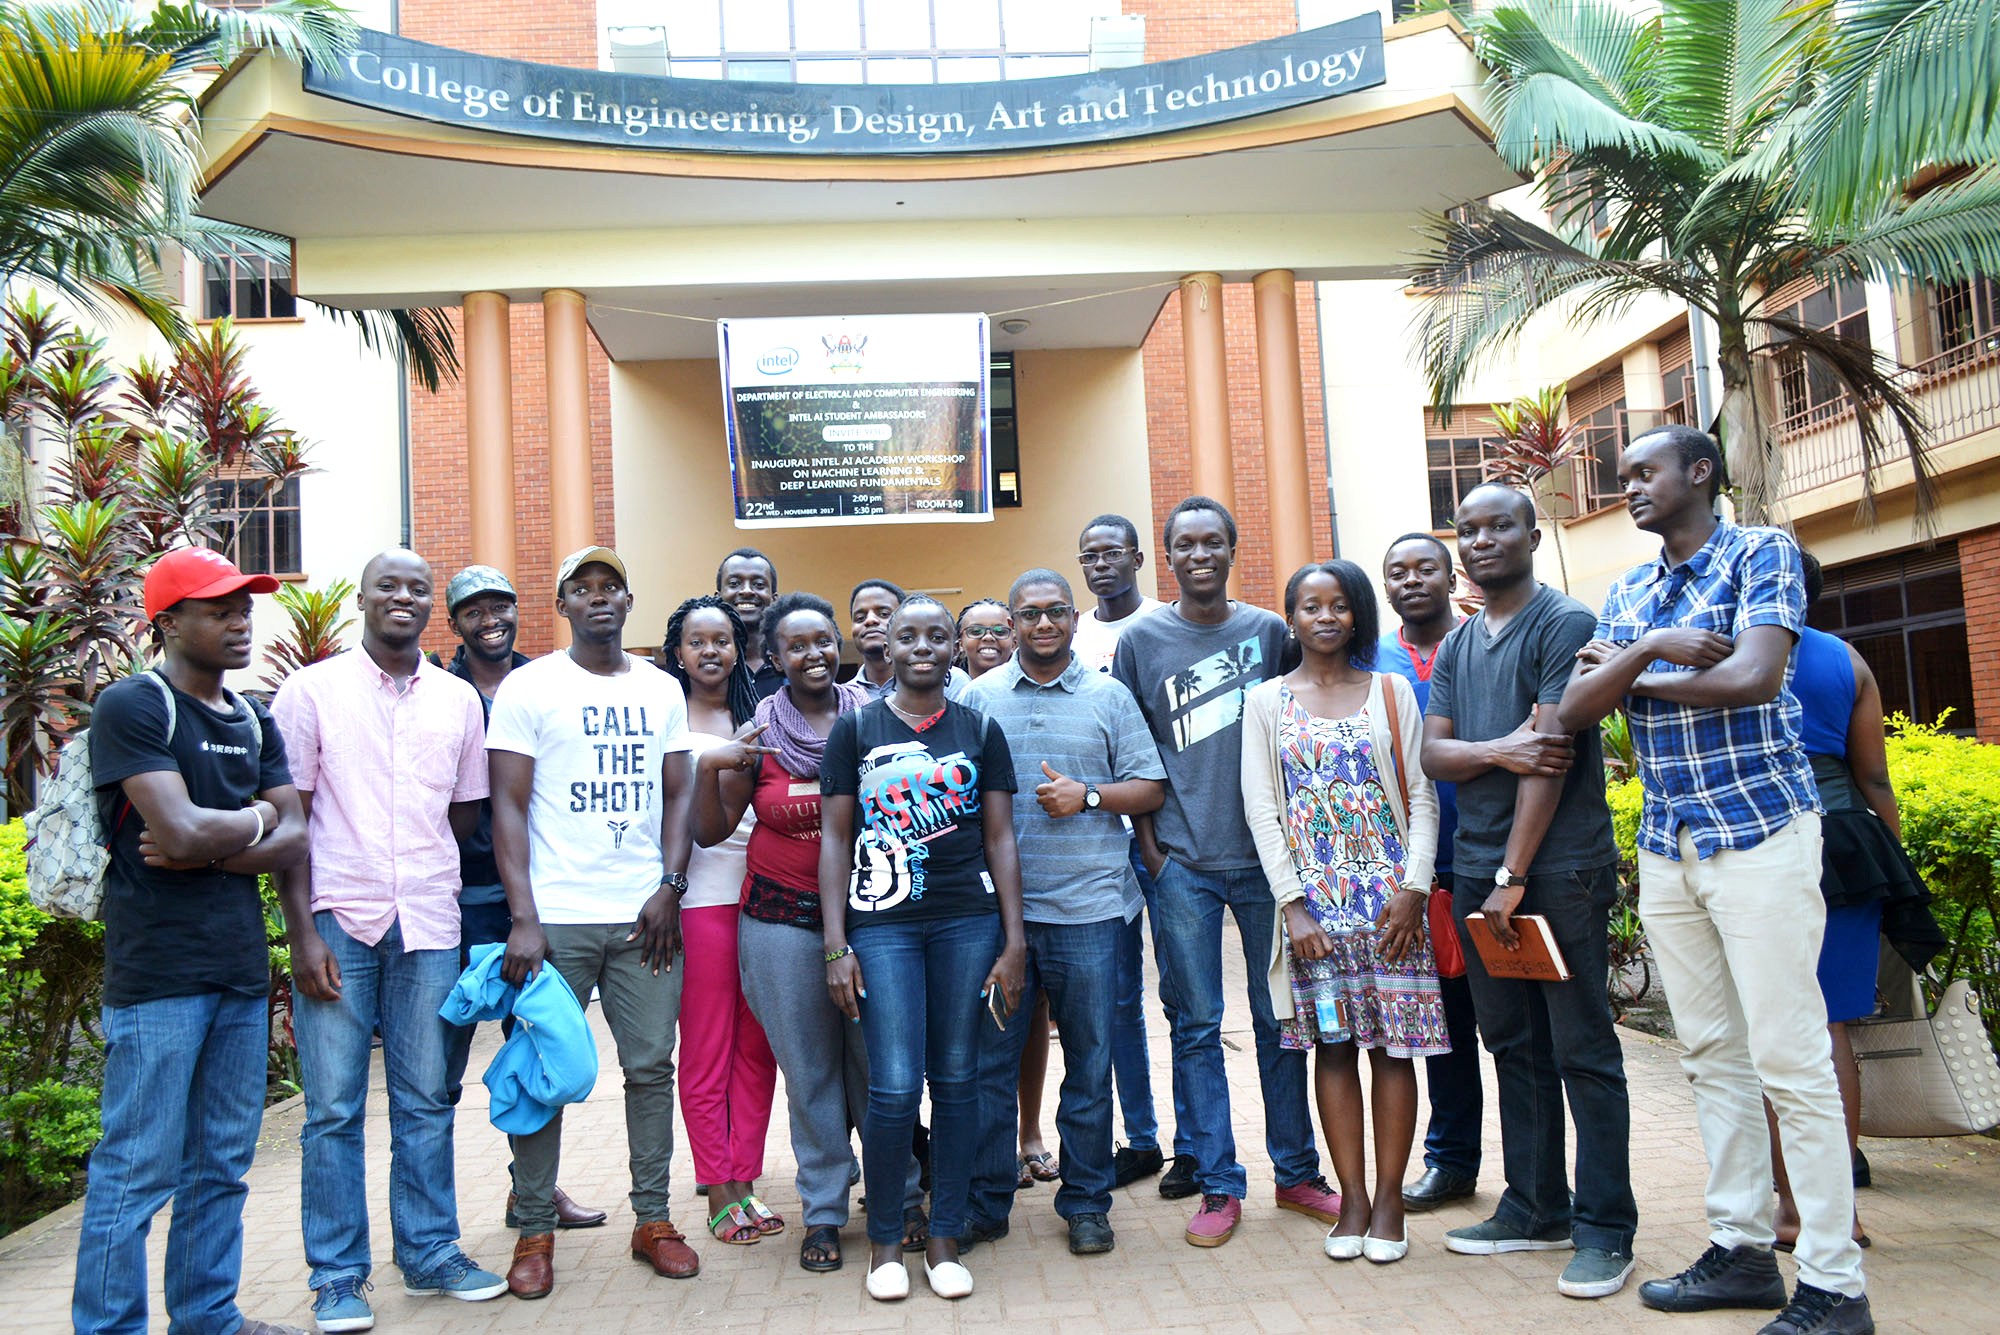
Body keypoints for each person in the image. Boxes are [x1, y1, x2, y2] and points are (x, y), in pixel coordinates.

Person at [1558, 425, 1872, 1335]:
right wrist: (1656, 645)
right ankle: (1740, 1248)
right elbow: (1577, 709)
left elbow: (1752, 673)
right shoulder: (1631, 591)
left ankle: (1833, 1282)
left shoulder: (1760, 551)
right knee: (1709, 1057)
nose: (1630, 489)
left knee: (1791, 1057)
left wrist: (1627, 675)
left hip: (1762, 832)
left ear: (1700, 471)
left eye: (1644, 471)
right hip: (1670, 842)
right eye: (1622, 479)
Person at [72, 548, 309, 1335]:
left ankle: (208, 1316)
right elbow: (172, 827)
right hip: (158, 978)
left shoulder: (252, 716)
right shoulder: (135, 706)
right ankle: (110, 1326)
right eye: (219, 609)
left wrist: (225, 836)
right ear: (168, 621)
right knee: (136, 1169)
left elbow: (297, 835)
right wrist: (256, 822)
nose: (241, 621)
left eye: (245, 607)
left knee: (221, 1167)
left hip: (240, 972)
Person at [271, 549, 506, 1331]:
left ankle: (432, 1253)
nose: (402, 597)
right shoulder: (310, 692)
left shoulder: (458, 700)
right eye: (387, 586)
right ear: (362, 598)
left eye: (415, 587)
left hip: (431, 922)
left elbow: (466, 813)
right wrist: (301, 933)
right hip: (339, 916)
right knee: (334, 1106)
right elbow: (288, 821)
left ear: (429, 604)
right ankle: (338, 1276)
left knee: (425, 1099)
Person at [1421, 485, 1638, 1300]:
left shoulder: (1564, 622)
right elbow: (1434, 757)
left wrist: (1513, 876)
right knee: (1513, 1042)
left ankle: (1605, 1228)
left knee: (1582, 1047)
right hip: (1477, 867)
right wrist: (1497, 749)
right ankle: (1535, 1205)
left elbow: (1548, 756)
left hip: (1555, 869)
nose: (1482, 541)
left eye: (1499, 525)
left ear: (1532, 535)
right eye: (1468, 529)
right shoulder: (1459, 642)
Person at [1111, 496, 1339, 1247]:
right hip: (1182, 864)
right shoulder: (1141, 640)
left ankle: (1298, 1171)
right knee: (1197, 1025)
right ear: (1168, 556)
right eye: (1185, 543)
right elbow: (1130, 745)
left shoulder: (1270, 633)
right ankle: (1217, 1182)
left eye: (1213, 542)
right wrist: (1151, 845)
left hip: (1268, 865)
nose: (1199, 554)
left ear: (1233, 551)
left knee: (1280, 1022)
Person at [485, 546, 699, 1300]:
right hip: (558, 920)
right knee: (544, 1074)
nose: (600, 598)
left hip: (644, 915)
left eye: (612, 588)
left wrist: (670, 886)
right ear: (564, 605)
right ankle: (535, 1228)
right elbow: (505, 806)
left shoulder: (660, 687)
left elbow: (679, 794)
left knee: (649, 1068)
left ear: (629, 601)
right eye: (585, 588)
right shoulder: (528, 686)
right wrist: (524, 917)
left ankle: (653, 1219)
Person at [695, 591, 925, 1275]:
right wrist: (714, 767)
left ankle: (901, 1194)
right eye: (797, 645)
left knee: (881, 1068)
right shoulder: (759, 732)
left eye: (824, 640)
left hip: (873, 919)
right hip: (777, 923)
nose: (814, 653)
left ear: (840, 645)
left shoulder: (879, 722)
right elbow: (711, 829)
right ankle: (824, 1207)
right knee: (810, 1073)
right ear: (775, 657)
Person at [821, 596, 1027, 1302]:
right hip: (881, 926)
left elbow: (1000, 839)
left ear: (953, 649)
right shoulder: (855, 730)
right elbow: (834, 840)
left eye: (936, 635)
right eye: (906, 634)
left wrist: (1015, 940)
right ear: (884, 642)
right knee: (894, 1084)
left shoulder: (979, 728)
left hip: (966, 923)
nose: (920, 645)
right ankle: (885, 1237)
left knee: (959, 1078)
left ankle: (942, 1235)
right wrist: (833, 944)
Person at [962, 568, 1167, 1257]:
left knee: (1089, 1061)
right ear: (1011, 621)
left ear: (1075, 618)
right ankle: (988, 1200)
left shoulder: (1109, 696)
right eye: (1029, 613)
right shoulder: (978, 696)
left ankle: (1085, 1199)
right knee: (990, 1061)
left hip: (1089, 909)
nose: (1043, 623)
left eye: (1055, 612)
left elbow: (1149, 787)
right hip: (996, 919)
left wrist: (1088, 796)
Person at [1244, 560, 1442, 1265]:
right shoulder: (1267, 701)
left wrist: (1414, 889)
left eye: (1337, 605)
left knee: (1394, 1050)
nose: (1325, 616)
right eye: (1309, 605)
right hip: (1317, 917)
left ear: (1356, 614)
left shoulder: (1391, 691)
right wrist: (1293, 907)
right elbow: (1263, 809)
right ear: (1292, 618)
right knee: (1332, 1047)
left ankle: (1390, 1201)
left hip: (1393, 912)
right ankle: (1351, 1199)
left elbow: (1422, 794)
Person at [1768, 554, 1942, 1250]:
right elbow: (1875, 777)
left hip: (1767, 840)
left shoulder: (1733, 650)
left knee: (1775, 1026)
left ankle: (1788, 1210)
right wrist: (1891, 870)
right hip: (1849, 847)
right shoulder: (1847, 660)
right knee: (1832, 1026)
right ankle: (1840, 1211)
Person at [433, 565, 605, 1234]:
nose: (490, 618)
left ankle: (530, 1190)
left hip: (532, 898)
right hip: (456, 900)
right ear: (456, 623)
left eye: (500, 605)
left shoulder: (546, 684)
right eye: (474, 610)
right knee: (438, 1063)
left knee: (535, 1045)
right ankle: (432, 1212)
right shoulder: (442, 693)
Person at [660, 595, 781, 1245]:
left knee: (757, 1048)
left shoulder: (759, 712)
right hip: (701, 898)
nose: (711, 651)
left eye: (723, 640)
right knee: (707, 1048)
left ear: (740, 647)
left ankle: (746, 1176)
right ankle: (717, 1187)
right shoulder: (661, 713)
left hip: (763, 896)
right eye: (697, 640)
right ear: (677, 649)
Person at [1071, 513, 1180, 1191]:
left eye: (1112, 551)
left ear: (1139, 557)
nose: (1100, 562)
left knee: (1182, 997)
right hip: (1094, 841)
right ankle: (1139, 1138)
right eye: (1089, 553)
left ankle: (1191, 1141)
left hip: (1164, 834)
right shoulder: (1073, 633)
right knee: (1116, 1001)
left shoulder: (1164, 626)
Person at [1377, 533, 1482, 1211]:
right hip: (1417, 868)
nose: (1412, 579)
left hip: (1490, 856)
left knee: (1507, 1025)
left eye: (1425, 568)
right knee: (1443, 1027)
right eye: (1398, 571)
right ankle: (1452, 1161)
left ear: (1451, 576)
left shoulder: (1483, 642)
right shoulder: (1373, 658)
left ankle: (1540, 1173)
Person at [849, 578, 970, 699]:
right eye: (860, 618)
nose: (870, 620)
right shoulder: (847, 696)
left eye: (884, 614)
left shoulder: (955, 683)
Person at [716, 548, 783, 699]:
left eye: (759, 584)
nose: (746, 591)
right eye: (734, 583)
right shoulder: (709, 665)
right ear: (718, 597)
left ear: (774, 599)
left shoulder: (790, 663)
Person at [956, 598, 1016, 681]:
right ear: (960, 644)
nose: (988, 637)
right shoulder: (948, 690)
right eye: (976, 631)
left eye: (1000, 631)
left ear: (1014, 643)